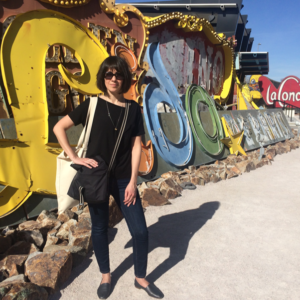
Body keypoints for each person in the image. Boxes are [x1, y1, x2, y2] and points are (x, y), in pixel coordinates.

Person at [53, 56, 164, 299]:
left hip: (125, 177)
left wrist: (134, 181)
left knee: (141, 231)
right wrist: (75, 157)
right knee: (100, 228)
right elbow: (59, 127)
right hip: (96, 177)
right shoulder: (91, 104)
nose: (113, 79)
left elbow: (137, 147)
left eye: (118, 75)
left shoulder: (133, 109)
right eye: (108, 75)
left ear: (125, 78)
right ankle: (106, 275)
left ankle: (140, 278)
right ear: (103, 78)